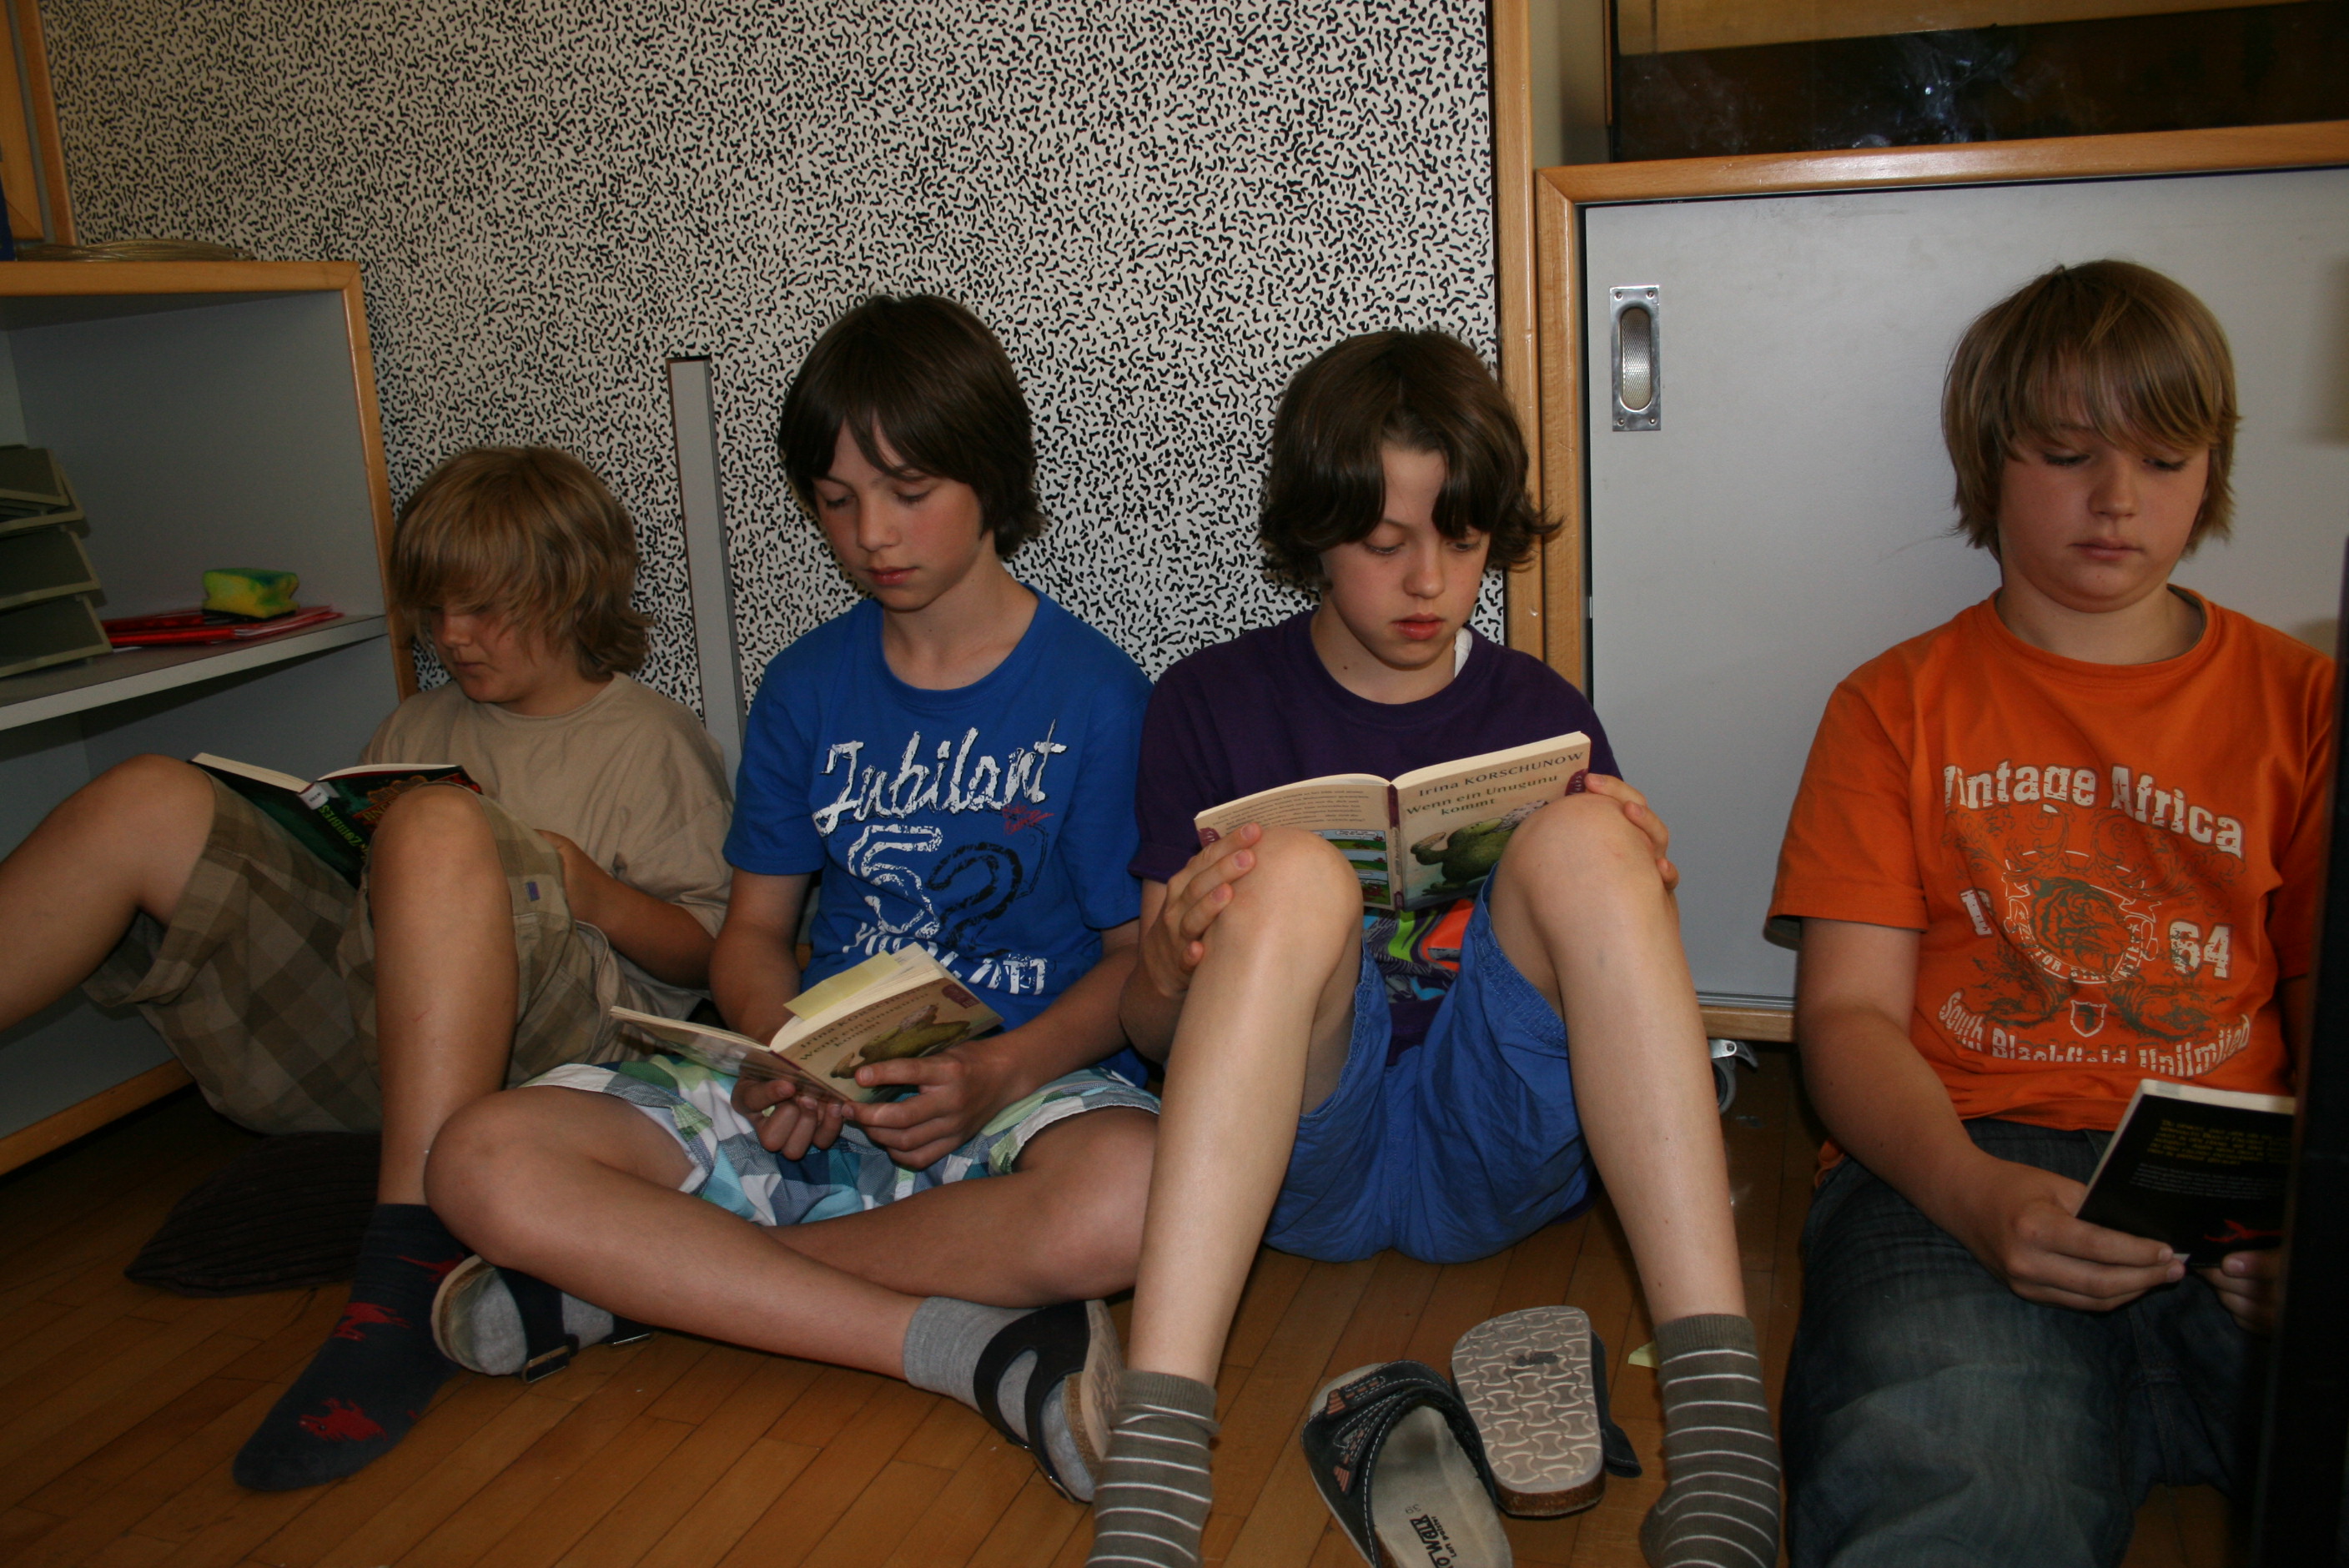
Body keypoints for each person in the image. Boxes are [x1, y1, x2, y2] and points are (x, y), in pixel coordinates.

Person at [426, 294, 1159, 1502]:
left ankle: (651, 1280)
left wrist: (1001, 1072)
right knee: (478, 1157)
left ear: (991, 474)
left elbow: (1135, 962)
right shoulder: (807, 686)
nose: (871, 533)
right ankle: (955, 1340)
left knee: (1134, 1196)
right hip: (811, 1091)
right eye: (834, 500)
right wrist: (779, 1048)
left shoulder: (1095, 694)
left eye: (909, 489)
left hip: (1020, 1088)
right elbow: (755, 932)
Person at [1084, 330, 1780, 1568]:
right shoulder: (1207, 704)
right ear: (1315, 533)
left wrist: (1634, 882)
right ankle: (1155, 1479)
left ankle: (1726, 1449)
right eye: (1383, 542)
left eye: (1460, 540)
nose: (1428, 582)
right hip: (1298, 1152)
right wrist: (1165, 963)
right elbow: (1147, 1034)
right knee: (1288, 870)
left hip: (1493, 1144)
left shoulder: (1540, 712)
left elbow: (1604, 1010)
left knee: (1591, 841)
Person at [0, 445, 735, 1488]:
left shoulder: (647, 737)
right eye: (434, 609)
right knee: (144, 795)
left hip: (557, 1059)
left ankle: (404, 1276)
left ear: (573, 593)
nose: (451, 636)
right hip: (382, 1039)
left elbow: (711, 957)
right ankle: (410, 1197)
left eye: (482, 609)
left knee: (437, 822)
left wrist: (591, 891)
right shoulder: (418, 722)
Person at [1769, 259, 2327, 1565]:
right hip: (1952, 1157)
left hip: (2238, 1168)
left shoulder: (2306, 703)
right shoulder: (1892, 707)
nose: (2118, 498)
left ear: (2212, 470)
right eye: (2070, 454)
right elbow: (1847, 1019)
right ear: (1988, 461)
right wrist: (1970, 1194)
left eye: (2165, 458)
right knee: (1953, 1478)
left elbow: (2325, 1011)